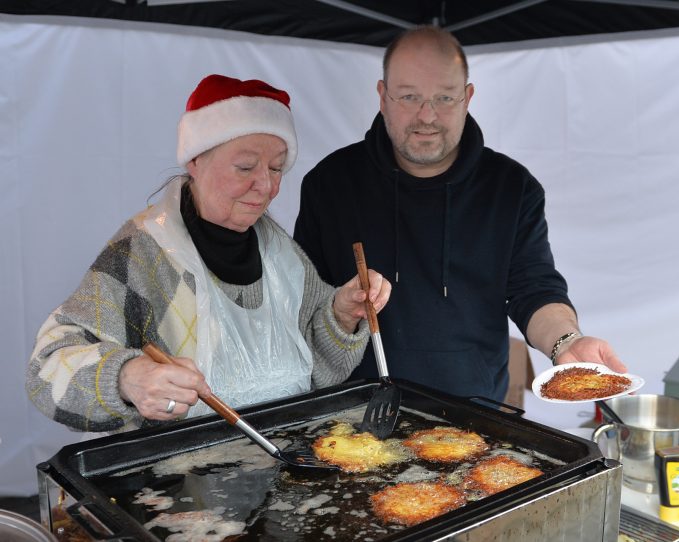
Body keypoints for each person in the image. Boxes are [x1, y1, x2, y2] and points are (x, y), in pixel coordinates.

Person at [27, 74, 391, 433]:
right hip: (175, 480)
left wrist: (341, 316)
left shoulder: (282, 255)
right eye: (245, 167)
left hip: (285, 474)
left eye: (277, 167)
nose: (265, 185)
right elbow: (46, 370)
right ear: (195, 161)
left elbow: (314, 370)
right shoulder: (142, 254)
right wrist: (126, 377)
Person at [293, 26, 624, 402]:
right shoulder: (329, 183)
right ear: (383, 97)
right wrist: (342, 308)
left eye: (444, 98)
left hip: (475, 418)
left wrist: (567, 342)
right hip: (355, 417)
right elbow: (303, 308)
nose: (427, 116)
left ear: (467, 97)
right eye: (409, 97)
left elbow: (535, 289)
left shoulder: (512, 188)